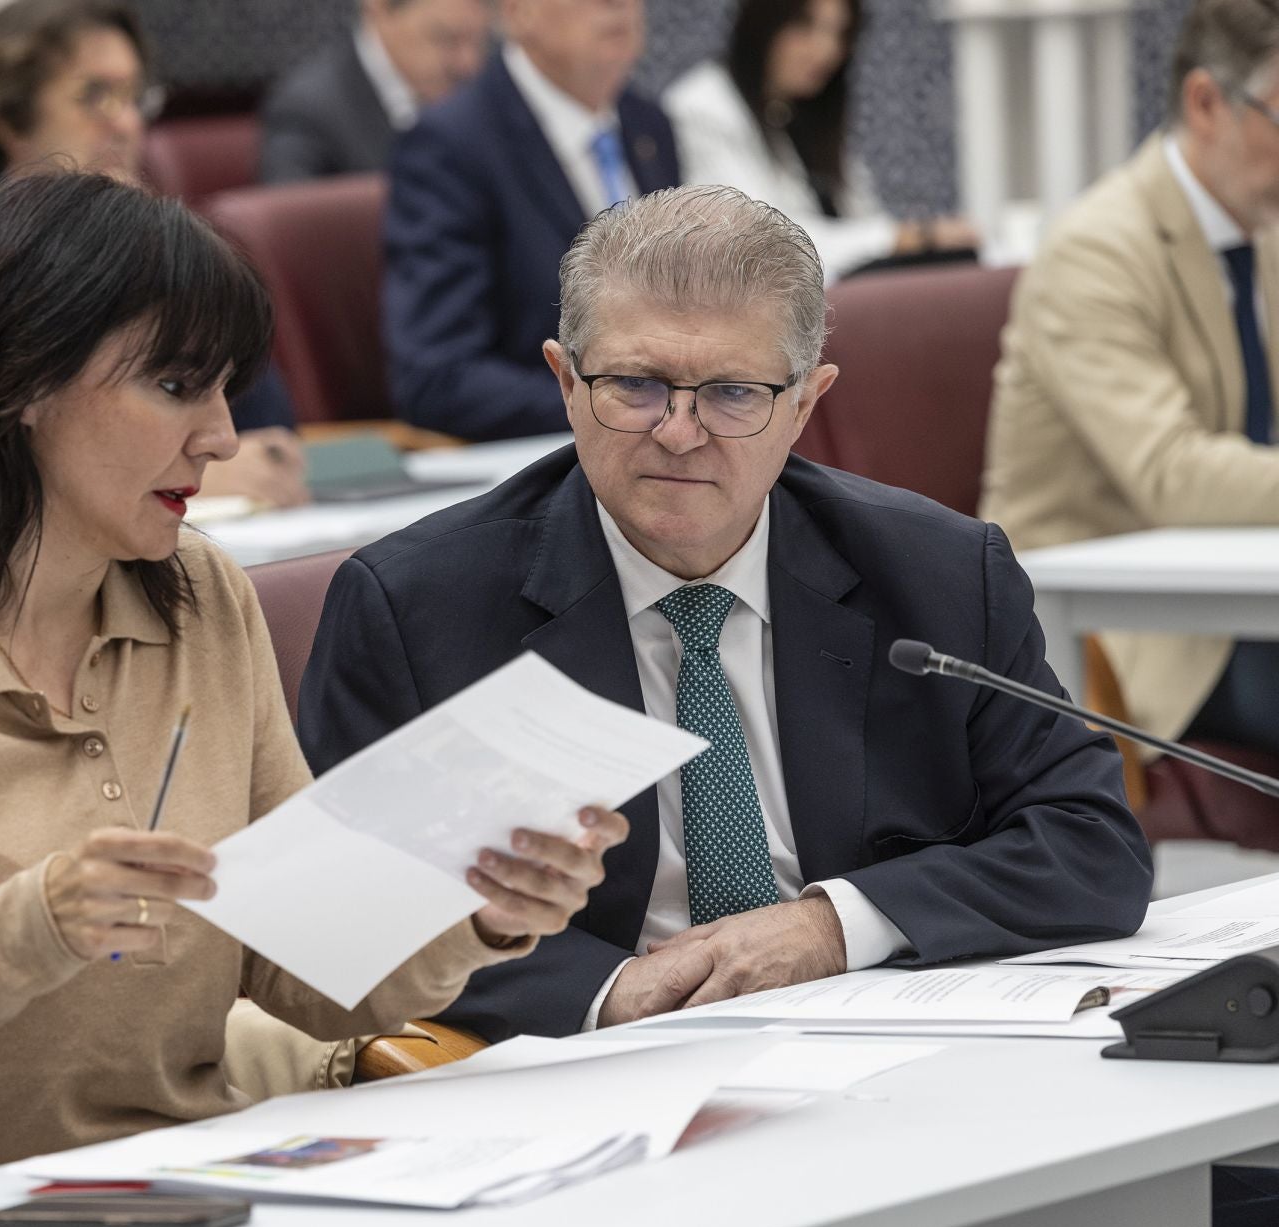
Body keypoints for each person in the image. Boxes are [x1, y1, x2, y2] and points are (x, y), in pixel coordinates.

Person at [0, 170, 624, 1214]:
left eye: (226, 388)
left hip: (181, 1198)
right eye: (178, 385)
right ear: (22, 381)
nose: (224, 437)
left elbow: (307, 974)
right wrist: (31, 926)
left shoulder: (204, 596)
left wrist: (478, 909)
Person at [301, 184, 1151, 1045]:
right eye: (635, 386)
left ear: (805, 406)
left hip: (885, 1044)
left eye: (733, 395)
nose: (678, 432)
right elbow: (349, 911)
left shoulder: (939, 574)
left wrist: (833, 928)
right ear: (564, 382)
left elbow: (1090, 844)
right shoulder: (416, 606)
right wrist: (613, 994)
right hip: (584, 1076)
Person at [983, 0, 1279, 773]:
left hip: (1243, 590)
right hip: (1126, 632)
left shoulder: (1264, 229)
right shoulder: (1097, 247)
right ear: (1208, 103)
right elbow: (1172, 476)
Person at [0, 0, 306, 508]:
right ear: (12, 118)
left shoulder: (173, 250)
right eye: (95, 95)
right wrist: (184, 478)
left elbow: (270, 426)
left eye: (134, 97)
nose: (124, 123)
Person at [383, 0, 678, 442]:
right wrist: (615, 407)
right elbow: (437, 375)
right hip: (543, 452)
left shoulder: (647, 123)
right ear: (518, 12)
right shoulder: (452, 144)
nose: (619, 5)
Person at [661, 0, 975, 284]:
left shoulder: (802, 113)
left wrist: (917, 239)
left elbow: (860, 215)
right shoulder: (703, 106)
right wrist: (910, 236)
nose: (826, 50)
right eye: (806, 26)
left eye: (839, 33)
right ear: (763, 21)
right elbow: (759, 241)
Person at [258, 0, 494, 184]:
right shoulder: (307, 110)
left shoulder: (485, 95)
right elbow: (299, 230)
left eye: (479, 41)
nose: (469, 63)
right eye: (446, 39)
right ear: (380, 7)